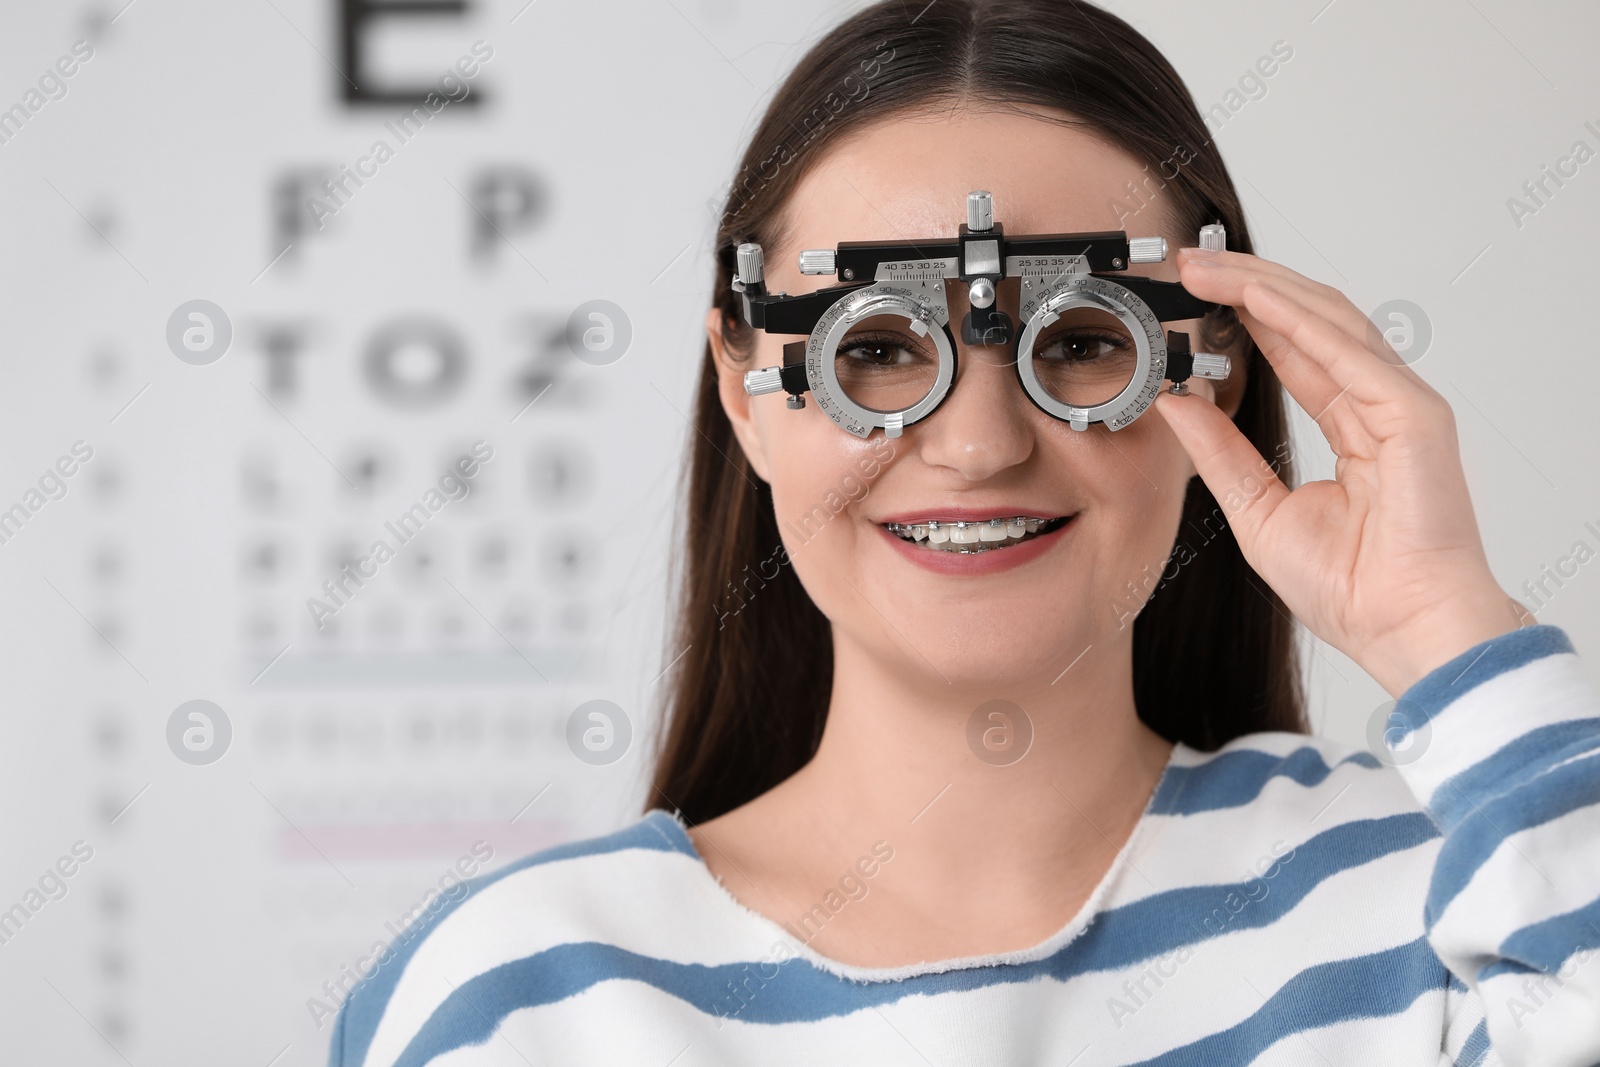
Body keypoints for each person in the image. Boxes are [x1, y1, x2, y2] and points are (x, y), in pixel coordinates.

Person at [326, 2, 1600, 1063]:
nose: (982, 443)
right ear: (741, 387)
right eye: (875, 349)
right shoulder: (520, 997)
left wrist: (1447, 629)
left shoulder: (1439, 898)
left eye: (1084, 340)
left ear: (1209, 366)